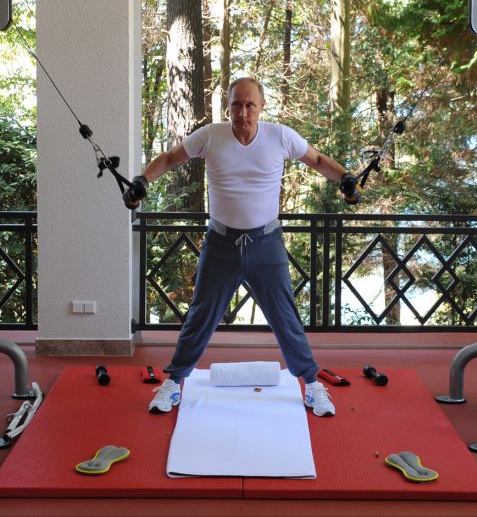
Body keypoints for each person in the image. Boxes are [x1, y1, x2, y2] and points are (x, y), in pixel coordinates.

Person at [123, 77, 360, 417]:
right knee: (200, 315)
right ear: (228, 107)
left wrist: (346, 180)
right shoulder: (211, 136)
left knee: (285, 317)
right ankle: (174, 382)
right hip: (221, 244)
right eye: (236, 104)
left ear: (262, 106)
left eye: (250, 104)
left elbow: (319, 159)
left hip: (267, 244)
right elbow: (170, 158)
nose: (243, 112)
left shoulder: (280, 136)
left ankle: (312, 385)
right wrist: (142, 181)